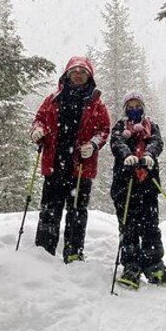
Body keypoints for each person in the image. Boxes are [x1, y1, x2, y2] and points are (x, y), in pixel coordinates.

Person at [30, 56, 110, 264]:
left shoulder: (96, 103)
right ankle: (44, 251)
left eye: (83, 71)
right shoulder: (53, 99)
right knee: (49, 210)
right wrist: (37, 131)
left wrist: (92, 145)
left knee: (77, 212)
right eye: (74, 71)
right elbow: (39, 119)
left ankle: (74, 252)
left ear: (89, 76)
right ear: (66, 74)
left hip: (81, 167)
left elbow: (103, 130)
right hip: (54, 163)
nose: (78, 74)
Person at [110, 92, 166, 288]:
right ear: (125, 109)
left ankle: (154, 263)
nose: (134, 108)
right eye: (130, 105)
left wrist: (149, 155)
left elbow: (157, 142)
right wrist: (126, 155)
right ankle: (131, 265)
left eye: (137, 105)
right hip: (125, 185)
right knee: (128, 227)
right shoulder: (120, 126)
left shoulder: (151, 125)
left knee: (150, 226)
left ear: (143, 107)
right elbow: (116, 142)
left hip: (148, 184)